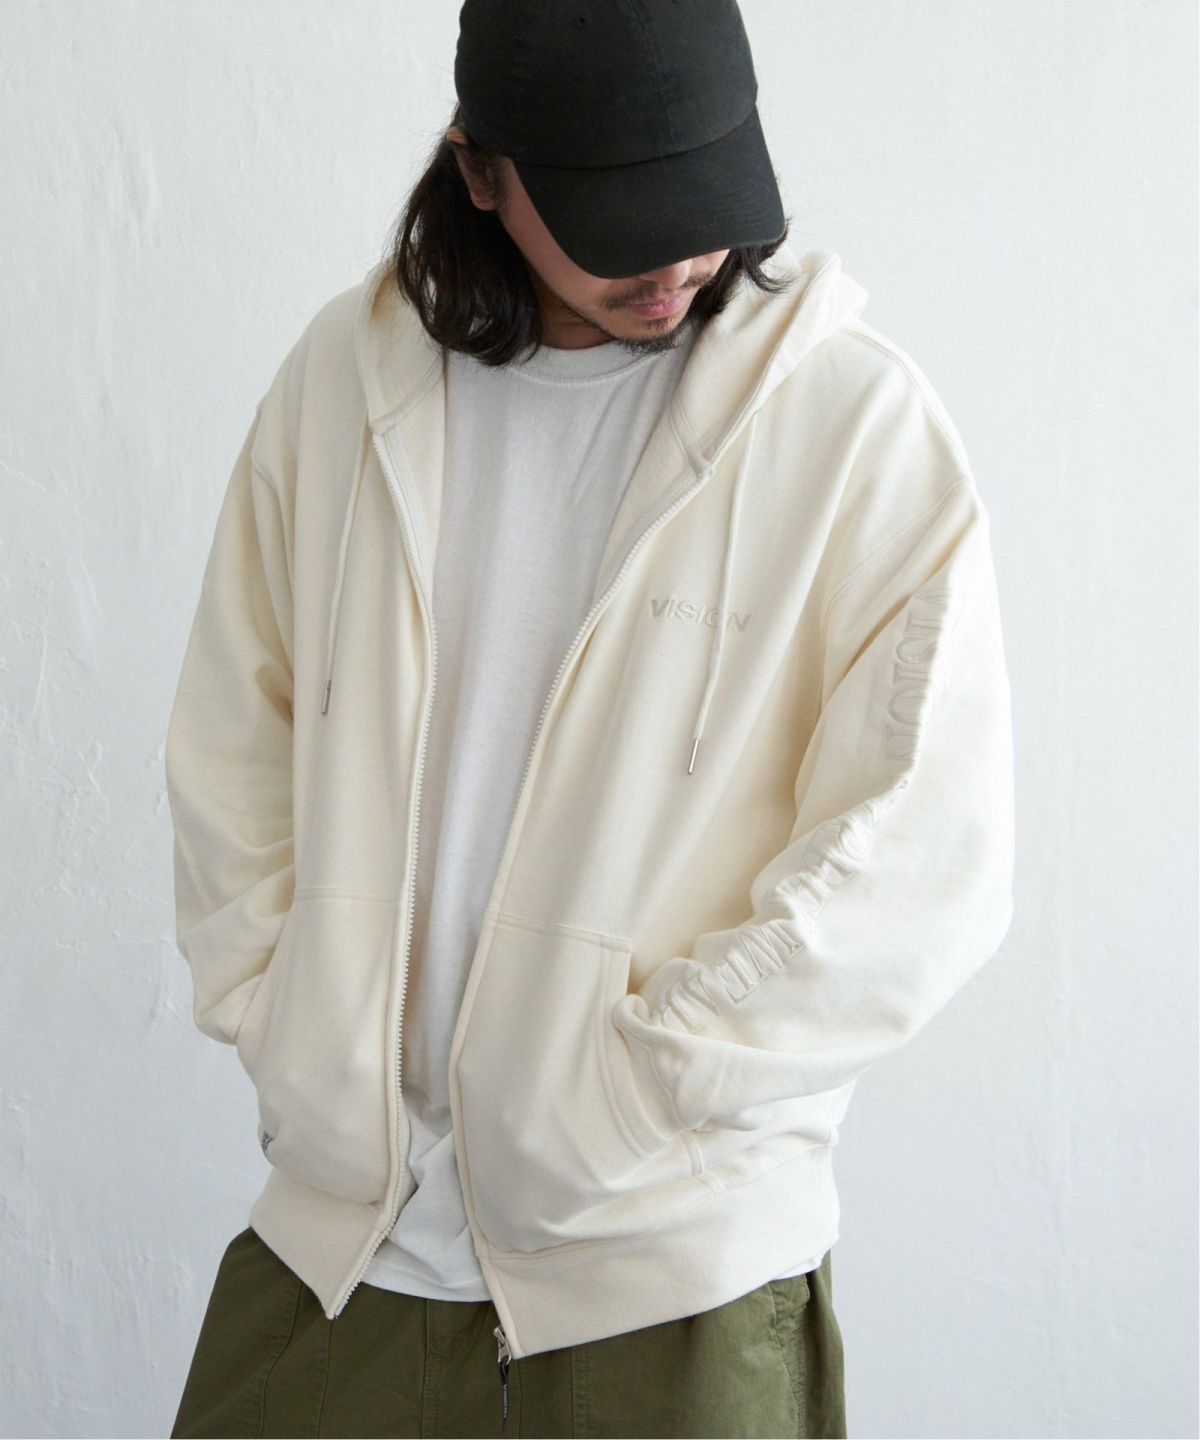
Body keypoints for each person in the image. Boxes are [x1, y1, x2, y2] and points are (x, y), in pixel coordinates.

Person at [165, 2, 1015, 1436]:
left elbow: (924, 855)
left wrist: (630, 1096)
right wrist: (287, 1021)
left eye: (705, 196)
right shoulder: (340, 383)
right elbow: (231, 741)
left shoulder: (849, 427)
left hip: (672, 1274)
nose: (677, 259)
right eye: (621, 216)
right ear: (480, 170)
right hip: (342, 1252)